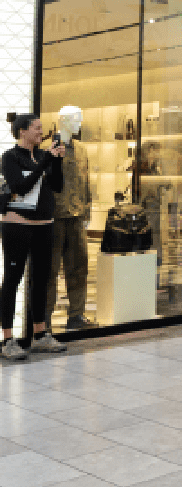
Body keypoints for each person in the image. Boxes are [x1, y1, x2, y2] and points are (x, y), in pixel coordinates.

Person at [2, 114, 68, 360]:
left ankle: (40, 335)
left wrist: (57, 161)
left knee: (41, 279)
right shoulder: (10, 157)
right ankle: (8, 339)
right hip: (17, 227)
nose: (42, 132)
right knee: (12, 280)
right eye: (37, 128)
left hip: (44, 226)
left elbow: (57, 186)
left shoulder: (43, 155)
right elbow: (21, 187)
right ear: (22, 131)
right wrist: (45, 162)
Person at [45, 106, 93, 331]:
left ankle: (76, 315)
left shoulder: (82, 150)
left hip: (76, 216)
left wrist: (87, 211)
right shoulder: (48, 148)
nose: (80, 123)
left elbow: (86, 181)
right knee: (49, 270)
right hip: (54, 217)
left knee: (78, 267)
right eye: (76, 119)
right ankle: (43, 319)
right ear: (63, 120)